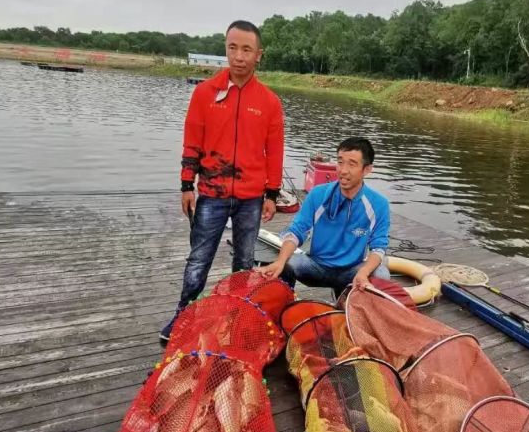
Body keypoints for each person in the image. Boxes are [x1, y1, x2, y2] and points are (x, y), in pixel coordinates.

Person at [160, 20, 284, 341]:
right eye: (232, 47)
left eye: (247, 49)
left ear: (259, 55)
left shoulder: (269, 102)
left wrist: (271, 193)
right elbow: (192, 142)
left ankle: (237, 317)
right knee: (199, 258)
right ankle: (183, 314)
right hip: (211, 193)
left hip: (251, 198)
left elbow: (275, 152)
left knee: (243, 261)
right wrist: (187, 184)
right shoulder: (204, 93)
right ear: (225, 48)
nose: (239, 56)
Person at [257, 137, 391, 297]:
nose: (343, 170)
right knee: (288, 263)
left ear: (367, 169)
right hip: (316, 267)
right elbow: (297, 231)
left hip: (351, 271)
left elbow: (378, 247)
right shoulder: (318, 194)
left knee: (381, 274)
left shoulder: (379, 204)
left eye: (352, 164)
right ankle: (284, 308)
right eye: (340, 162)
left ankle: (350, 309)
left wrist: (364, 272)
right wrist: (280, 261)